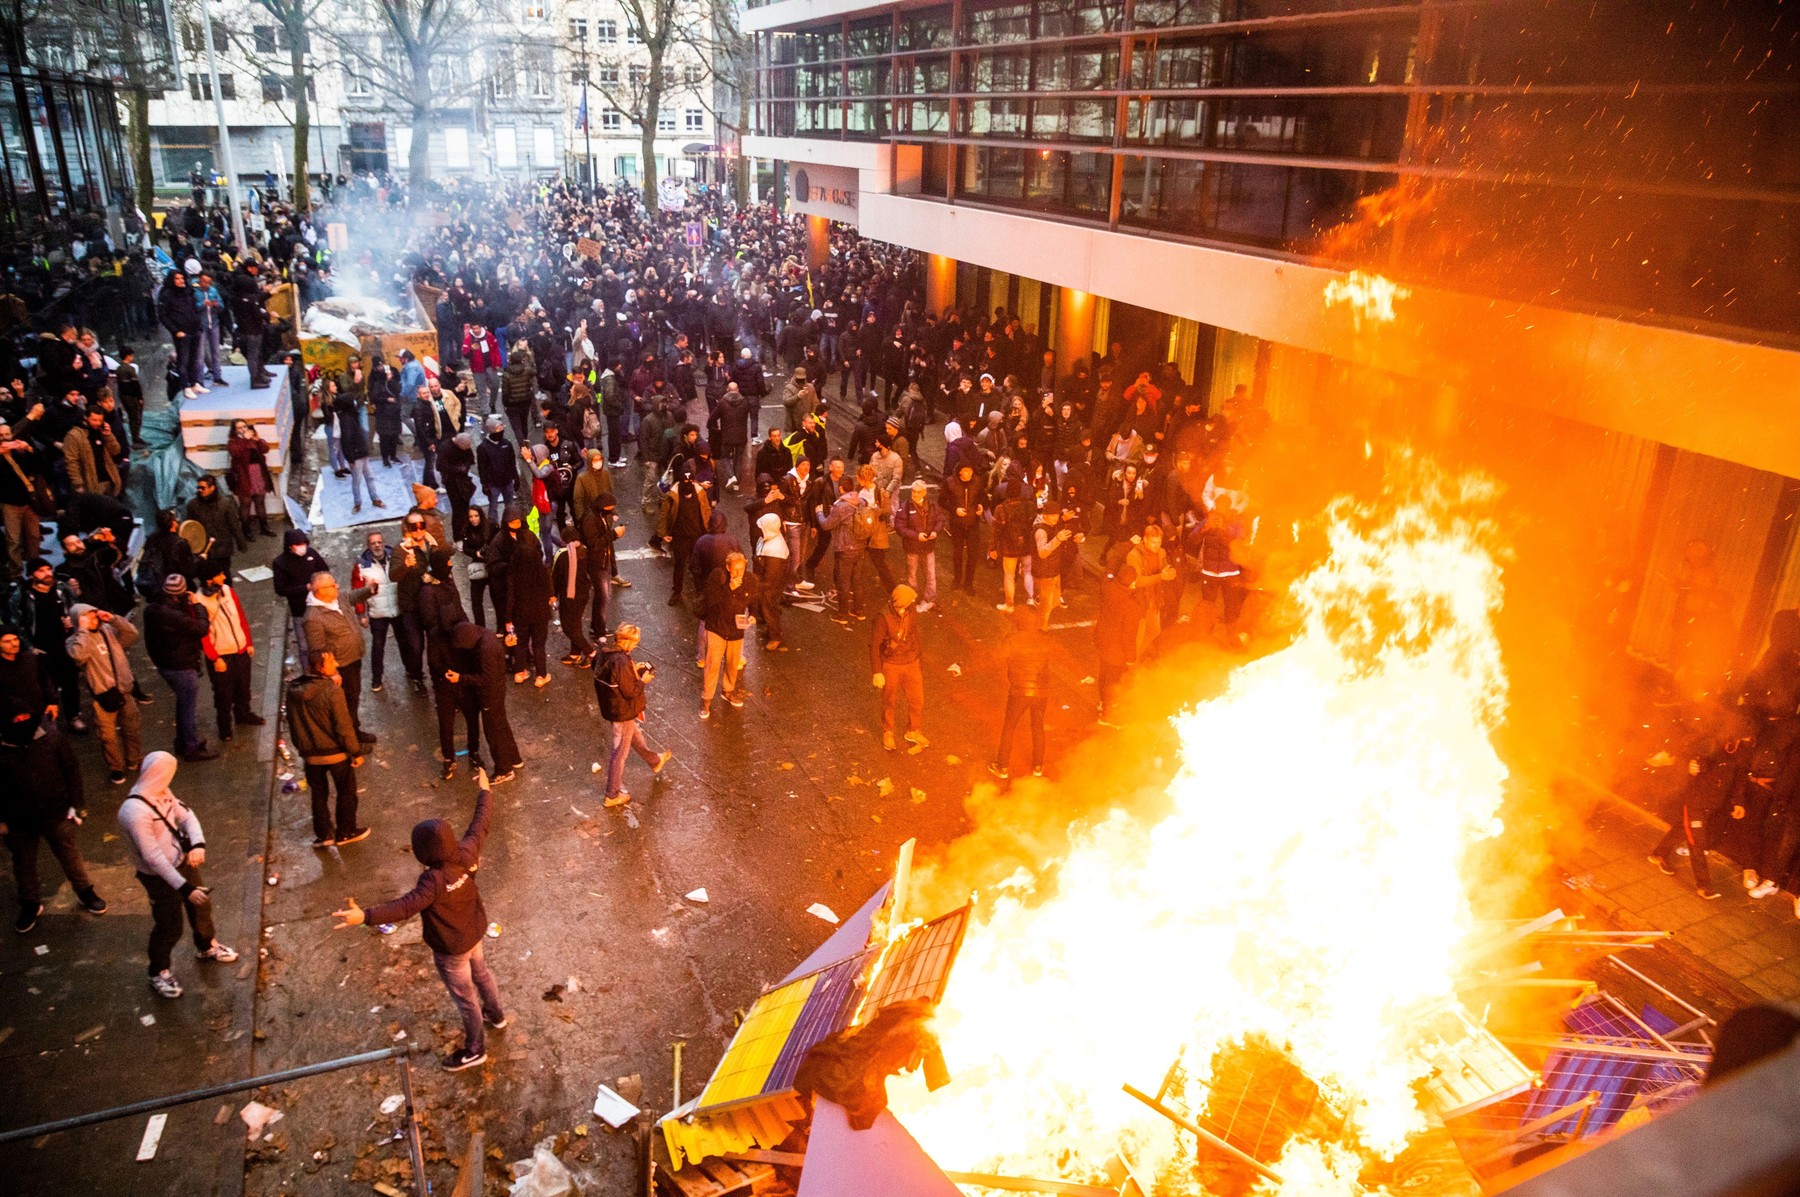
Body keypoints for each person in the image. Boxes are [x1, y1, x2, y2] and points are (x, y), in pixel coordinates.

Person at [331, 770, 507, 1072]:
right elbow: (481, 824)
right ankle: (497, 1015)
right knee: (482, 974)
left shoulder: (432, 881)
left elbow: (404, 907)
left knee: (465, 999)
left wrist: (366, 916)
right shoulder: (466, 853)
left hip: (451, 949)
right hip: (475, 932)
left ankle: (475, 1048)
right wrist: (485, 792)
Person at [117, 752, 238, 999]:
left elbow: (187, 816)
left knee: (201, 908)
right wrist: (185, 889)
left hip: (180, 862)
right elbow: (152, 857)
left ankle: (206, 946)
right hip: (157, 877)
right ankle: (157, 971)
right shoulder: (134, 812)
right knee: (169, 926)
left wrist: (198, 844)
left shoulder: (163, 792)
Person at [1, 711, 104, 932]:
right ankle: (30, 902)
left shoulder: (52, 739)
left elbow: (71, 770)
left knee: (69, 854)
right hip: (18, 819)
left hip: (56, 812)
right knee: (23, 862)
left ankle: (85, 890)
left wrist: (76, 804)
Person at [285, 649, 368, 848]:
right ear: (320, 668)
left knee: (318, 794)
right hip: (335, 753)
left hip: (311, 756)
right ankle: (345, 832)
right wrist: (355, 752)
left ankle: (324, 835)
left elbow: (293, 723)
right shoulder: (332, 691)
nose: (336, 665)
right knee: (346, 792)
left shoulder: (293, 691)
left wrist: (302, 749)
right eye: (331, 662)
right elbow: (343, 726)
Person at [594, 625, 672, 808]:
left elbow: (609, 675)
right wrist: (642, 680)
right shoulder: (621, 660)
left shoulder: (604, 653)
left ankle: (655, 761)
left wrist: (632, 670)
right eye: (635, 643)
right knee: (619, 753)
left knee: (634, 735)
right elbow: (630, 692)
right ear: (627, 641)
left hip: (612, 707)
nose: (635, 647)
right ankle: (612, 794)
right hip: (622, 710)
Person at [65, 603, 144, 784]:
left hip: (124, 689)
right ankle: (116, 767)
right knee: (107, 736)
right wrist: (83, 631)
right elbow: (79, 656)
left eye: (94, 615)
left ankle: (135, 759)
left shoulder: (107, 630)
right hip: (103, 695)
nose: (94, 620)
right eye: (88, 617)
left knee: (132, 727)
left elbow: (132, 634)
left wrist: (114, 619)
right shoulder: (75, 641)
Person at [144, 575, 218, 762]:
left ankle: (182, 741)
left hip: (165, 664)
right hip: (181, 665)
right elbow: (200, 628)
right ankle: (191, 748)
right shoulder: (174, 616)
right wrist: (198, 606)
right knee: (188, 708)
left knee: (182, 703)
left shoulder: (152, 610)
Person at [301, 572, 378, 748]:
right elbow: (316, 651)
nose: (337, 587)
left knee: (353, 699)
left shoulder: (337, 598)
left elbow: (353, 596)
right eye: (332, 585)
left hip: (353, 659)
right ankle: (349, 744)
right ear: (320, 590)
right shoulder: (313, 617)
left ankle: (354, 732)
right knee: (343, 707)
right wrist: (332, 672)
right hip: (340, 667)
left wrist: (369, 590)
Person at [196, 561, 263, 742]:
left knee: (243, 687)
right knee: (223, 693)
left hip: (240, 649)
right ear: (209, 580)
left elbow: (240, 617)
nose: (224, 577)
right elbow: (203, 635)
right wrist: (214, 657)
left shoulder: (228, 590)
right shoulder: (199, 602)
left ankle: (243, 714)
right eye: (220, 574)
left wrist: (247, 641)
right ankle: (224, 727)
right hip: (221, 655)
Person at [446, 621, 522, 782]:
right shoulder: (486, 635)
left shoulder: (485, 649)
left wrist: (461, 678)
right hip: (498, 690)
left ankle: (504, 769)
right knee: (501, 725)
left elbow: (486, 678)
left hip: (490, 694)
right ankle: (514, 759)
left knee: (493, 731)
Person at [991, 607, 1051, 780]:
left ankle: (1002, 766)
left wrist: (963, 667)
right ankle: (1038, 766)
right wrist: (1082, 675)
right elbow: (1062, 655)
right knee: (1038, 727)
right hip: (1041, 692)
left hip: (1019, 691)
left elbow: (995, 658)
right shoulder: (1044, 639)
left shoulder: (1012, 640)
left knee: (1009, 727)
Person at [699, 551, 759, 719]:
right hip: (716, 627)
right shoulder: (717, 576)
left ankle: (728, 690)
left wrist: (753, 614)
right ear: (727, 568)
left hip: (736, 628)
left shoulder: (750, 579)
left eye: (742, 569)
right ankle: (706, 699)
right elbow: (711, 601)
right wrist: (729, 589)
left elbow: (754, 600)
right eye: (735, 570)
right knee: (712, 664)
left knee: (733, 663)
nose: (739, 573)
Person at [871, 583, 926, 752]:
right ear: (900, 604)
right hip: (892, 663)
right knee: (890, 700)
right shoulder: (883, 617)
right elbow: (874, 645)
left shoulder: (911, 611)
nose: (912, 605)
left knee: (917, 699)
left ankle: (913, 730)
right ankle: (888, 732)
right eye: (909, 602)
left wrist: (918, 657)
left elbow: (914, 633)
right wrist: (877, 672)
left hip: (910, 661)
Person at [502, 506, 552, 686]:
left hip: (521, 613)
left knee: (521, 643)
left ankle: (519, 672)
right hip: (540, 613)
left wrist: (508, 619)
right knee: (539, 645)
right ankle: (541, 675)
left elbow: (510, 596)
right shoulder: (541, 571)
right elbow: (548, 589)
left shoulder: (514, 573)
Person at [352, 530, 400, 692]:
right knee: (378, 647)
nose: (377, 545)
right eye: (373, 543)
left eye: (379, 542)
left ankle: (413, 671)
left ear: (383, 542)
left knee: (406, 644)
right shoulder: (361, 565)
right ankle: (376, 679)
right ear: (368, 546)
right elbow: (357, 592)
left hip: (398, 609)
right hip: (377, 613)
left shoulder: (396, 556)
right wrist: (361, 614)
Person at [272, 530, 329, 665]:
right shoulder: (280, 563)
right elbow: (281, 589)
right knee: (304, 647)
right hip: (300, 610)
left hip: (320, 605)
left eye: (304, 543)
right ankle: (309, 674)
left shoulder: (311, 554)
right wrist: (305, 588)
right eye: (298, 544)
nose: (302, 547)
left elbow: (324, 569)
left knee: (324, 642)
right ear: (290, 546)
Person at [185, 473, 245, 580]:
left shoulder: (226, 504)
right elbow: (190, 527)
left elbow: (234, 525)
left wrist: (240, 542)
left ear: (212, 488)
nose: (199, 490)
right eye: (198, 487)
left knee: (224, 575)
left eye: (202, 488)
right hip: (204, 549)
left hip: (222, 548)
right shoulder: (193, 505)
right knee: (206, 577)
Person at [226, 420, 275, 539]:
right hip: (244, 475)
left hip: (258, 473)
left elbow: (265, 449)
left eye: (244, 426)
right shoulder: (233, 442)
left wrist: (258, 440)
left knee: (260, 502)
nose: (243, 429)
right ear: (235, 430)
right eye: (239, 427)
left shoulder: (252, 438)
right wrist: (246, 440)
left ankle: (264, 527)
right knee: (245, 504)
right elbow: (236, 454)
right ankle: (246, 530)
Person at [753, 510, 789, 649]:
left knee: (769, 608)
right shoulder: (770, 538)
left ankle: (775, 636)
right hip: (768, 583)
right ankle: (771, 630)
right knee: (769, 608)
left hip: (770, 586)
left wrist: (757, 587)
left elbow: (770, 577)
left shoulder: (775, 549)